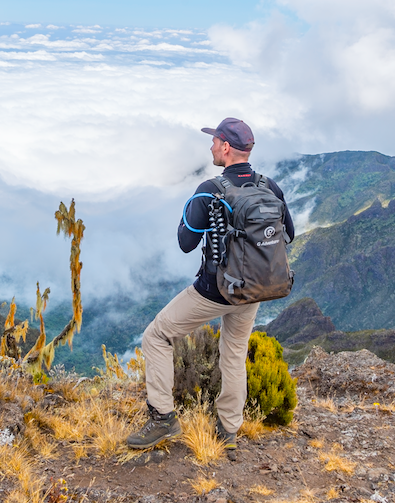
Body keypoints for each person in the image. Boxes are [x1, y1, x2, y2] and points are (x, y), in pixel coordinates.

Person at [126, 117, 295, 452]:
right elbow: (288, 234)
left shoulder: (210, 190)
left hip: (216, 290)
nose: (211, 147)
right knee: (233, 354)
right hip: (255, 289)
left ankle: (163, 420)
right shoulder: (269, 186)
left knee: (157, 336)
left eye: (214, 141)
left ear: (227, 147)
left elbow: (185, 242)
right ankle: (228, 431)